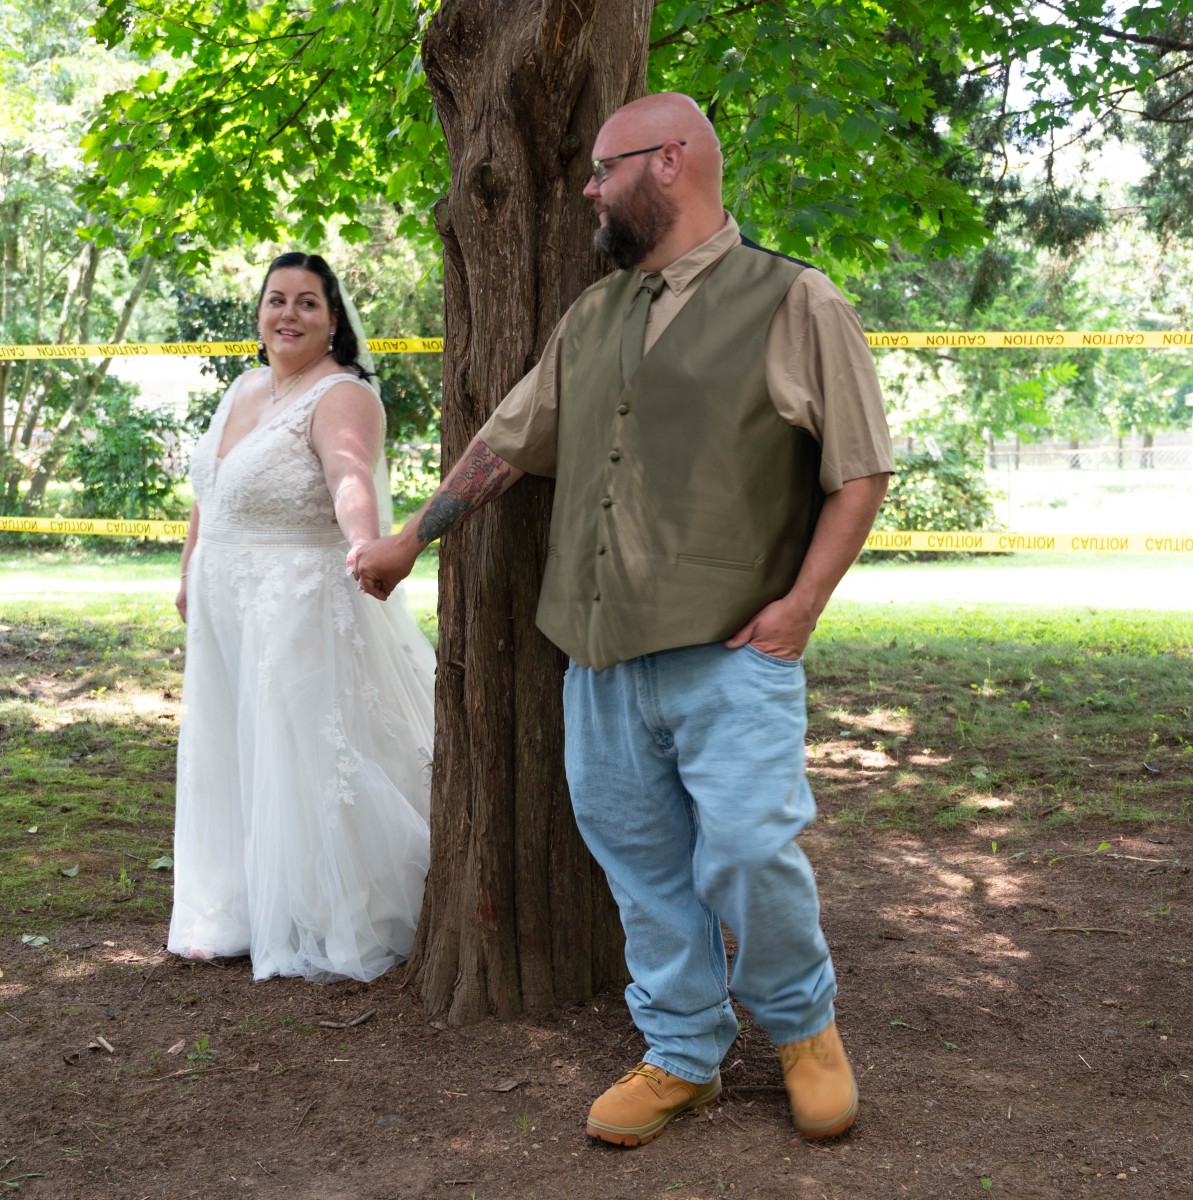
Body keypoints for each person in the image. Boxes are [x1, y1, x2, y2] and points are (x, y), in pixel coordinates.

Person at [352, 93, 893, 1141]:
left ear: (672, 160)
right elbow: (509, 441)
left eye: (605, 169)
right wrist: (413, 535)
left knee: (750, 852)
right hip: (597, 657)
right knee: (641, 870)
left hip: (733, 653)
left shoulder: (795, 299)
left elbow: (860, 470)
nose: (589, 191)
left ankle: (803, 1028)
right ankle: (683, 1054)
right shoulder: (595, 314)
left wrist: (801, 609)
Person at [169, 252, 435, 983]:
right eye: (276, 299)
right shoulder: (243, 387)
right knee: (232, 741)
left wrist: (365, 544)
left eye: (308, 302)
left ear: (332, 320)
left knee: (300, 744)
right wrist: (188, 571)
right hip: (224, 598)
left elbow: (350, 476)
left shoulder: (342, 395)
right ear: (259, 312)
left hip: (298, 599)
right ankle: (236, 906)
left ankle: (333, 908)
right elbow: (210, 491)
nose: (289, 314)